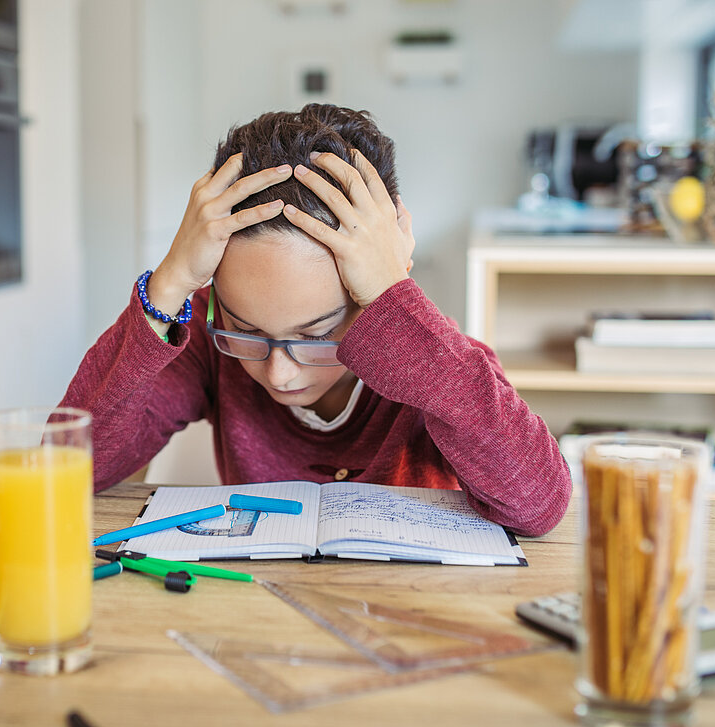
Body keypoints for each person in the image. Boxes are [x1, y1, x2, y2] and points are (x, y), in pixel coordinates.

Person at [61, 104, 570, 536]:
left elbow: (539, 506)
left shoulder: (431, 358)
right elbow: (69, 475)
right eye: (246, 332)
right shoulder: (202, 337)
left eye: (318, 335)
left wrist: (394, 297)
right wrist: (168, 286)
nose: (280, 374)